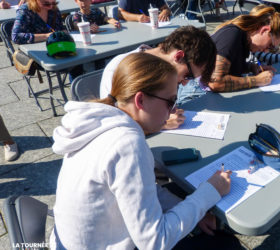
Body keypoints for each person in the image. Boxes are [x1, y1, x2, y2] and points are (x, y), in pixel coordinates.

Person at [50, 53, 232, 249]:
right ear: (140, 100)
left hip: (74, 241)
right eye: (170, 102)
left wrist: (197, 211)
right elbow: (155, 241)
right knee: (226, 243)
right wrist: (210, 192)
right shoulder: (127, 144)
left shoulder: (98, 123)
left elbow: (147, 191)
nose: (173, 110)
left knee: (182, 198)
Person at [99, 25, 217, 129]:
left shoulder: (167, 75)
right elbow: (114, 126)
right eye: (188, 75)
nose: (185, 83)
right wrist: (162, 123)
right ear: (178, 56)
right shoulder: (120, 68)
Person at [208, 5, 280, 92]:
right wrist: (257, 80)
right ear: (264, 30)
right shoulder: (232, 35)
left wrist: (250, 68)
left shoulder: (244, 42)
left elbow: (231, 66)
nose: (266, 51)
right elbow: (215, 83)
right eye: (270, 46)